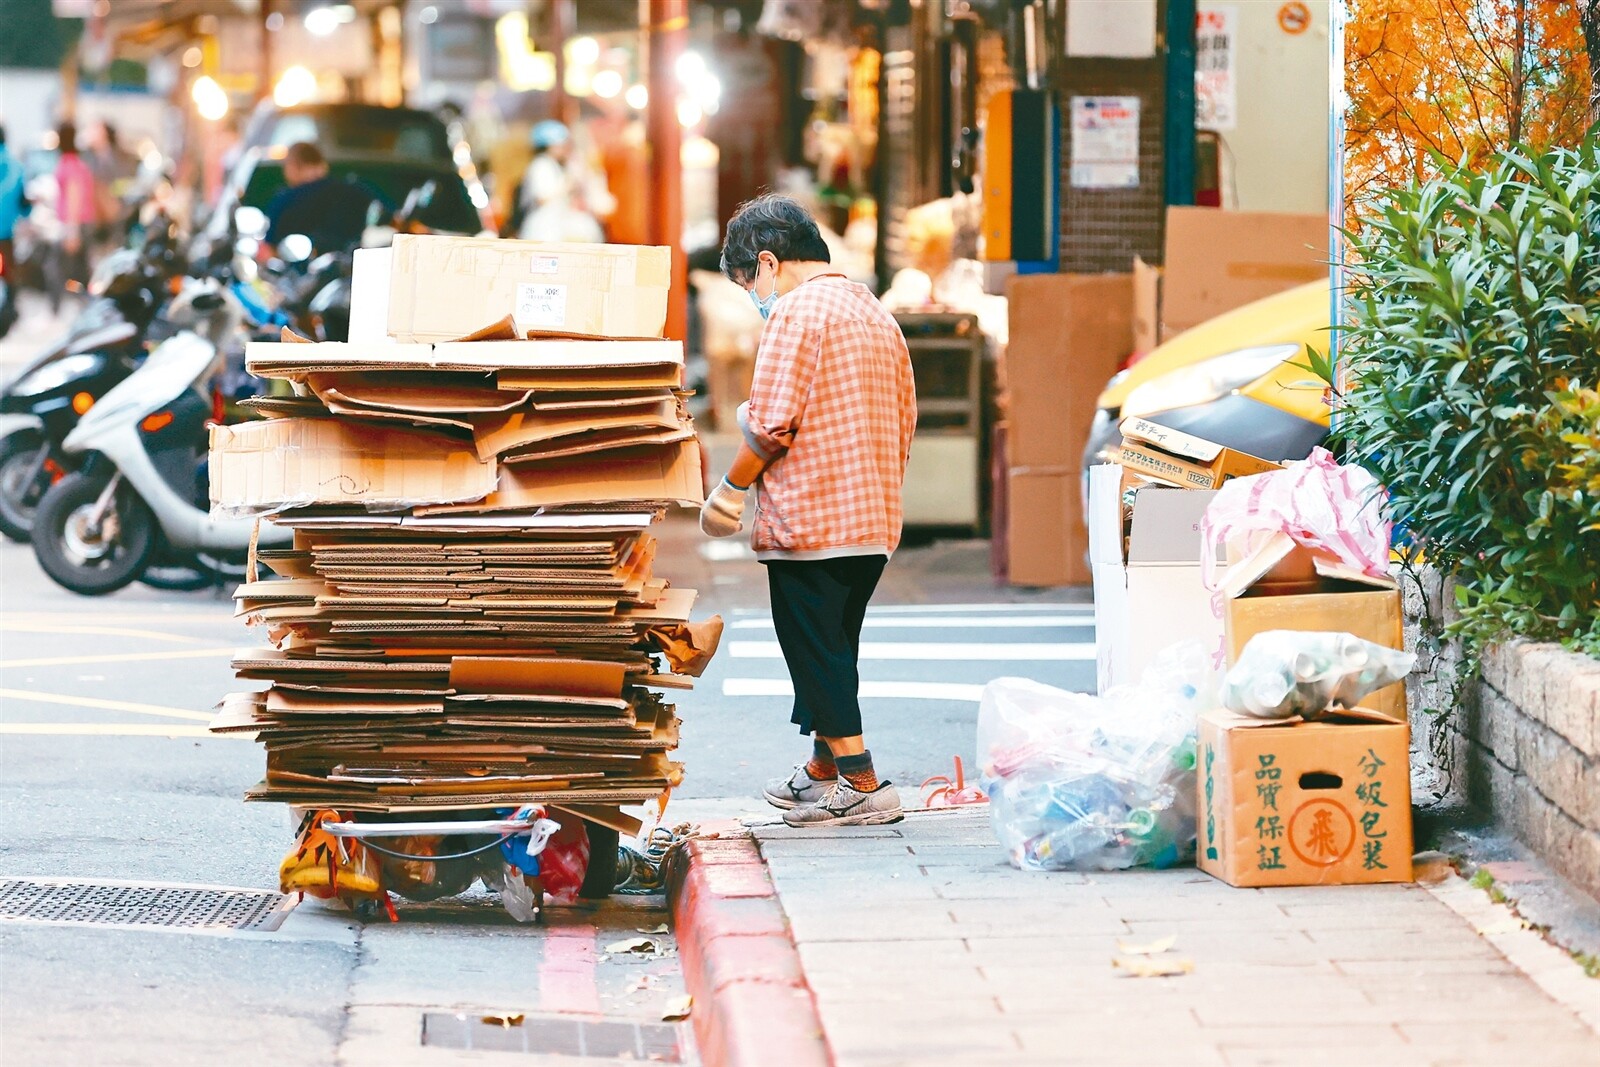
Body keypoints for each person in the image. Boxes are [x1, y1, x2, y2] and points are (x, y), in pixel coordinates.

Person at [701, 193, 918, 828]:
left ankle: (862, 780)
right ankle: (824, 764)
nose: (755, 299)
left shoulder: (798, 313)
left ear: (768, 264)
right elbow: (906, 415)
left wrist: (730, 492)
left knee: (812, 645)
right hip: (871, 519)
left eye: (749, 285)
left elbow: (770, 424)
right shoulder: (875, 311)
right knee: (832, 646)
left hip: (813, 519)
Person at [260, 142, 380, 261]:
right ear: (323, 164)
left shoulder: (285, 200)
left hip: (299, 274)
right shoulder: (356, 191)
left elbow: (268, 251)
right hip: (354, 265)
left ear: (293, 166)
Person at [515, 120, 602, 242]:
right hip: (542, 229)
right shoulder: (540, 165)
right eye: (561, 145)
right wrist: (567, 184)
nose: (564, 149)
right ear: (549, 145)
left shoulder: (555, 165)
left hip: (555, 226)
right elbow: (542, 197)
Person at [52, 123, 96, 308]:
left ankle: (67, 307)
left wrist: (72, 230)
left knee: (62, 269)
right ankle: (84, 306)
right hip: (83, 222)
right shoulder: (78, 162)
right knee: (80, 270)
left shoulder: (69, 164)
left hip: (75, 223)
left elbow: (74, 196)